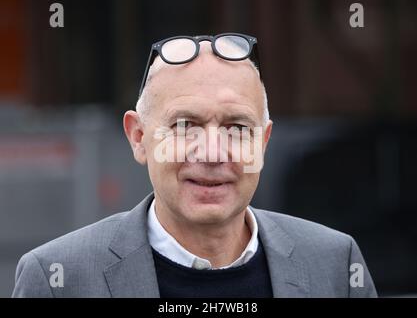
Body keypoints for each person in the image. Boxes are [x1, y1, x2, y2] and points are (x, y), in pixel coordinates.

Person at [12, 33, 377, 297]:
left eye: (236, 127)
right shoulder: (59, 279)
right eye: (185, 125)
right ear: (138, 137)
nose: (213, 152)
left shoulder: (334, 265)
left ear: (263, 142)